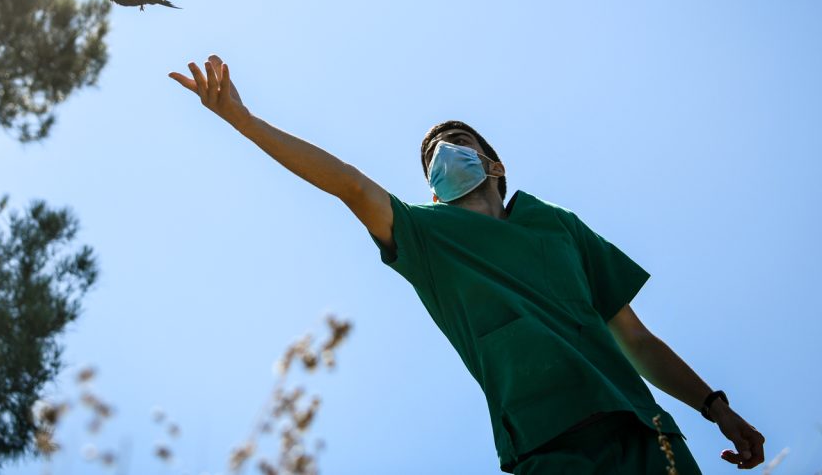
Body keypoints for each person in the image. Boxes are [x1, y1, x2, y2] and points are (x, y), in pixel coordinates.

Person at [169, 54, 766, 473]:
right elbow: (350, 186)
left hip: (644, 433)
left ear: (494, 165)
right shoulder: (429, 238)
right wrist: (244, 122)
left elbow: (634, 337)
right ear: (431, 190)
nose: (442, 151)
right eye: (431, 154)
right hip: (546, 447)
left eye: (456, 141)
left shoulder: (555, 225)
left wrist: (715, 406)